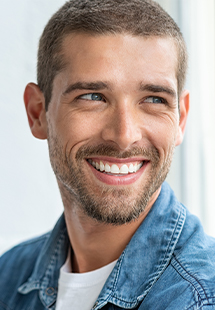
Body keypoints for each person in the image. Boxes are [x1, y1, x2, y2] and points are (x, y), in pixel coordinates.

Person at [1, 0, 215, 309]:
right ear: (38, 112)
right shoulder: (7, 278)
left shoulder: (202, 298)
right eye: (93, 97)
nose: (124, 135)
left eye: (154, 99)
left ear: (180, 119)